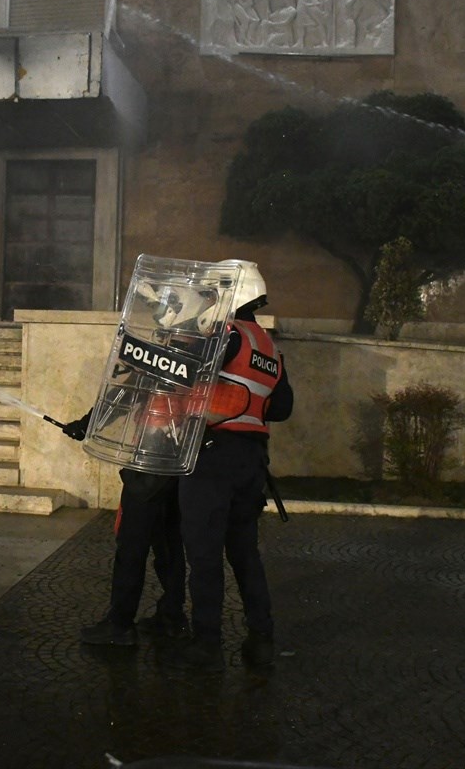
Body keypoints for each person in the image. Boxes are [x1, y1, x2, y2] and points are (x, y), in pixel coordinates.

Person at [167, 259, 293, 673]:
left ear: (231, 294)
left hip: (212, 455)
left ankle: (207, 644)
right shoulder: (269, 347)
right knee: (244, 553)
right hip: (251, 460)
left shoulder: (227, 335)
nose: (209, 301)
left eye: (212, 294)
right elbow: (282, 407)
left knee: (204, 554)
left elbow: (183, 372)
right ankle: (261, 638)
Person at [62, 412, 189, 647]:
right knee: (168, 542)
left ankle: (120, 623)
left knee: (132, 543)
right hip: (178, 455)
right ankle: (172, 616)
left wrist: (84, 425)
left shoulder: (153, 383)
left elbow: (120, 397)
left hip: (150, 454)